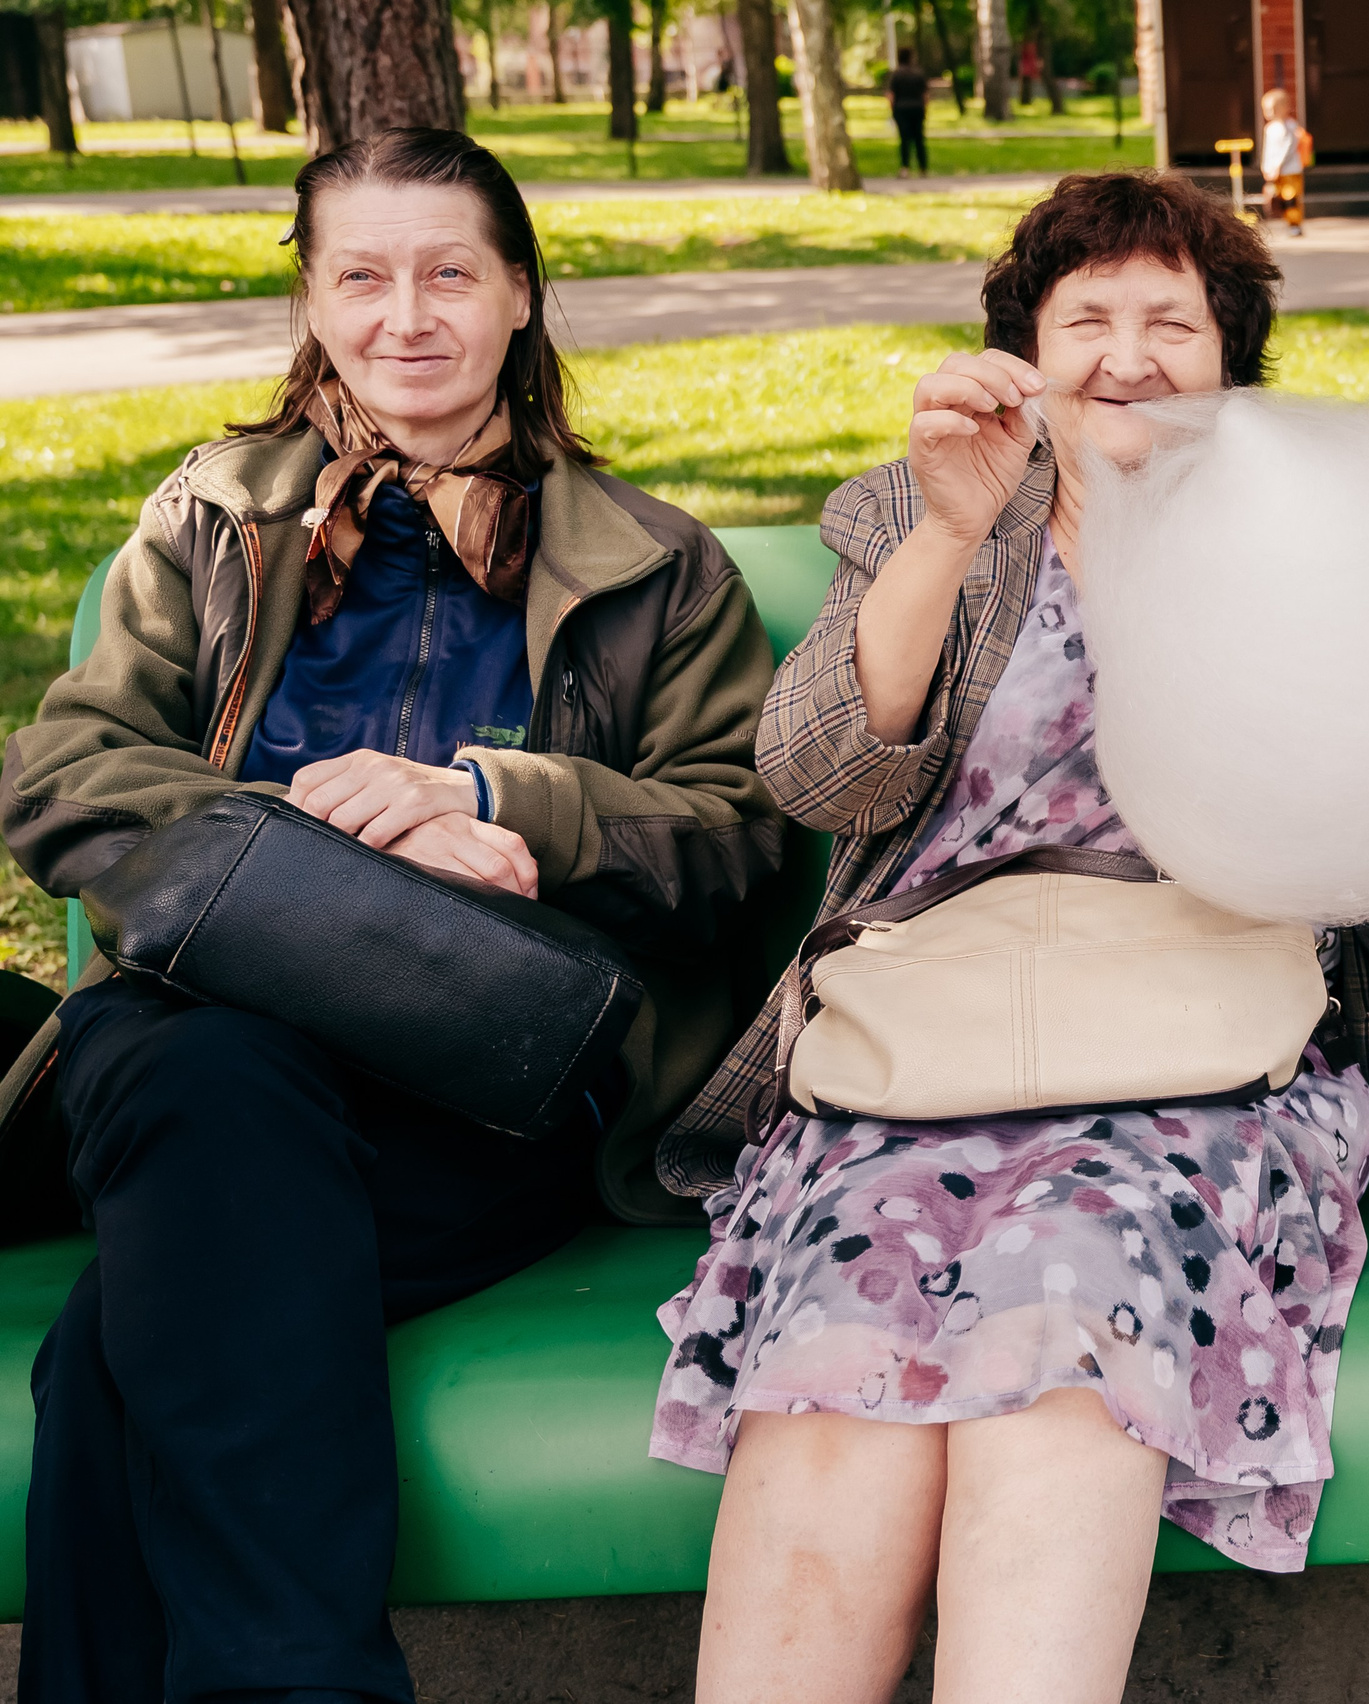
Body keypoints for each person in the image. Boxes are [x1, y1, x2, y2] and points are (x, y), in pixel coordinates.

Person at [652, 169, 1369, 1701]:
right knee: (840, 1366)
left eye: (1173, 320)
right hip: (921, 1069)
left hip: (1212, 1079)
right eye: (1085, 316)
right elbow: (820, 774)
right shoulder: (921, 508)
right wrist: (948, 539)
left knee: (1073, 1316)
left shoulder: (1309, 540)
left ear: (1232, 359)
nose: (1128, 352)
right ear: (1026, 350)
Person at [1, 127, 783, 1703]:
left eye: (448, 274)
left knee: (133, 1315)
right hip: (220, 1031)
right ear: (313, 296)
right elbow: (61, 775)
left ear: (519, 296)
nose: (404, 315)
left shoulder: (655, 567)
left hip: (484, 1092)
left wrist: (509, 813)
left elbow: (743, 846)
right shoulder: (214, 518)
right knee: (206, 1083)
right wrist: (311, 844)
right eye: (361, 275)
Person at [1258, 86, 1308, 237]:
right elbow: (1267, 149)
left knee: (1291, 198)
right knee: (1278, 198)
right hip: (1274, 171)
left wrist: (1278, 165)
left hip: (1290, 170)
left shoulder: (1290, 126)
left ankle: (1295, 224)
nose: (1268, 113)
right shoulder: (1269, 128)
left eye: (1272, 109)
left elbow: (1289, 147)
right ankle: (1286, 221)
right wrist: (1266, 166)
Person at [890, 46, 931, 177]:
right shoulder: (918, 73)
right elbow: (926, 95)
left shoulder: (896, 74)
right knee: (919, 139)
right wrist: (925, 108)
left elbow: (891, 95)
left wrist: (893, 110)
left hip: (901, 109)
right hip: (917, 109)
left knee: (904, 140)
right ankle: (923, 168)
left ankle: (905, 168)